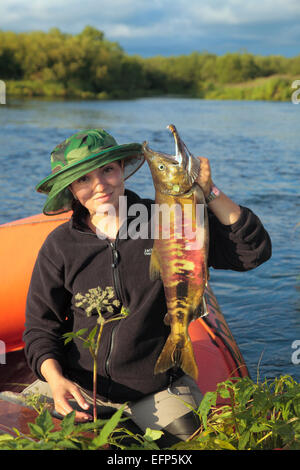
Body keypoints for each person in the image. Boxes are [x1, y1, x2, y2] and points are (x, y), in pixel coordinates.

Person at [23, 128, 272, 447]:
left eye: (108, 170)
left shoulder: (169, 219)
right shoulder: (60, 246)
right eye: (84, 179)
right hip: (79, 386)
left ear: (122, 169)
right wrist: (55, 380)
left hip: (156, 390)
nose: (99, 185)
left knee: (190, 447)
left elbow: (252, 252)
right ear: (71, 188)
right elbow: (40, 328)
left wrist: (210, 193)